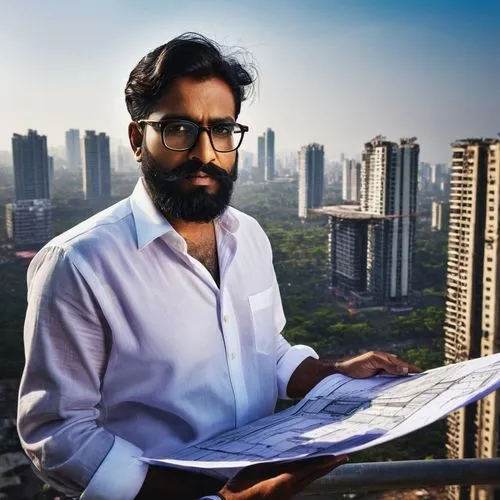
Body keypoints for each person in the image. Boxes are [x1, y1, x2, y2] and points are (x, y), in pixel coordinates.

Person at [17, 32, 421, 500]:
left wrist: (332, 372)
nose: (205, 153)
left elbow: (263, 352)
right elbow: (59, 435)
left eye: (222, 129)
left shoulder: (248, 236)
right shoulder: (79, 264)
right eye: (179, 129)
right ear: (136, 138)